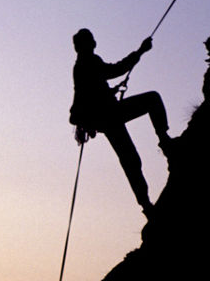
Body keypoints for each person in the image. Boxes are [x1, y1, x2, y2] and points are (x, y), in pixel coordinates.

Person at [69, 28, 172, 219]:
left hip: (107, 117)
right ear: (87, 44)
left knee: (130, 159)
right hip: (110, 116)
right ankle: (164, 140)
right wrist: (140, 51)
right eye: (90, 40)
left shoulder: (85, 63)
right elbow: (117, 69)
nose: (93, 42)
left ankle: (146, 205)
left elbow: (94, 90)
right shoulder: (88, 62)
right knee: (152, 100)